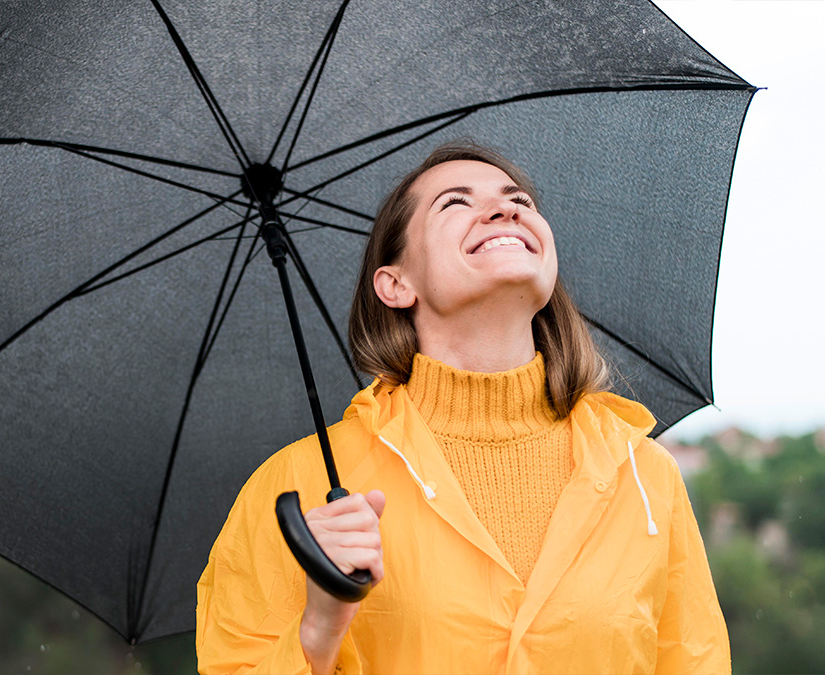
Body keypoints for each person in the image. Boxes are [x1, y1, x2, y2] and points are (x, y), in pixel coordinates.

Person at [194, 141, 731, 674]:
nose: (505, 209)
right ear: (395, 283)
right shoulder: (300, 484)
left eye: (518, 200)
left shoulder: (645, 477)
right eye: (455, 203)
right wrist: (320, 626)